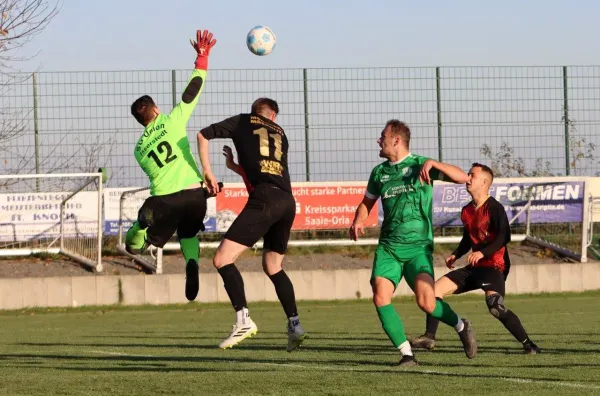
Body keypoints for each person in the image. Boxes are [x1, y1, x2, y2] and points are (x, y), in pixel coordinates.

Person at [349, 119, 477, 367]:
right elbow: (366, 203)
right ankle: (407, 354)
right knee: (380, 296)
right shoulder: (379, 172)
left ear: (396, 140)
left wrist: (434, 163)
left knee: (427, 302)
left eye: (382, 136)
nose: (379, 140)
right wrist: (358, 220)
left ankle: (462, 326)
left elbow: (463, 177)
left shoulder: (421, 165)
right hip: (388, 247)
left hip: (418, 248)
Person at [196, 98, 307, 352]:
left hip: (266, 199)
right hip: (287, 201)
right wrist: (235, 166)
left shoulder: (242, 121)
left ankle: (243, 321)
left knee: (222, 259)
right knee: (273, 265)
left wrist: (208, 172)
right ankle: (295, 324)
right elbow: (264, 171)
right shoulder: (281, 134)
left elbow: (203, 135)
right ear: (274, 116)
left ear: (253, 112)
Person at [410, 163, 542, 355]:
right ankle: (429, 337)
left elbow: (504, 236)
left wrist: (483, 252)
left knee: (495, 307)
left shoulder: (494, 208)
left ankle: (529, 345)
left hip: (494, 266)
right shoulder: (467, 210)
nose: (468, 178)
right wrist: (456, 253)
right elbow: (467, 238)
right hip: (474, 266)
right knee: (432, 293)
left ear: (485, 182)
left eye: (472, 175)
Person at [126, 29, 217, 302]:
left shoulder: (139, 150)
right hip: (195, 195)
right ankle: (192, 264)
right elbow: (192, 91)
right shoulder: (172, 120)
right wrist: (202, 58)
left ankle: (141, 226)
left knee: (136, 246)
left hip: (163, 201)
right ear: (154, 110)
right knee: (188, 232)